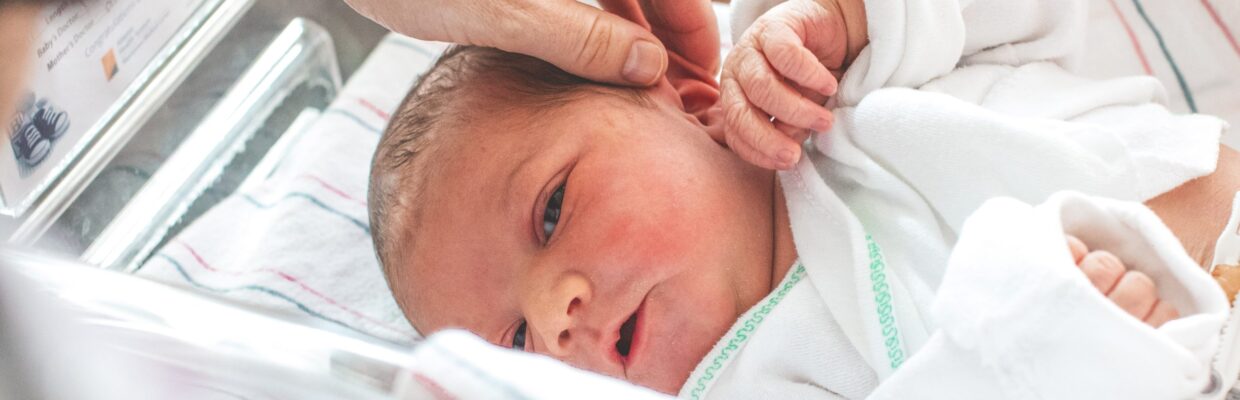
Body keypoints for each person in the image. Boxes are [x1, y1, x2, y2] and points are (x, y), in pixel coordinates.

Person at [366, 0, 1240, 397]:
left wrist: (851, 17)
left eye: (552, 211)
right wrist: (1050, 346)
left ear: (693, 102)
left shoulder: (821, 80)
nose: (555, 317)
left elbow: (1031, 15)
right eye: (516, 340)